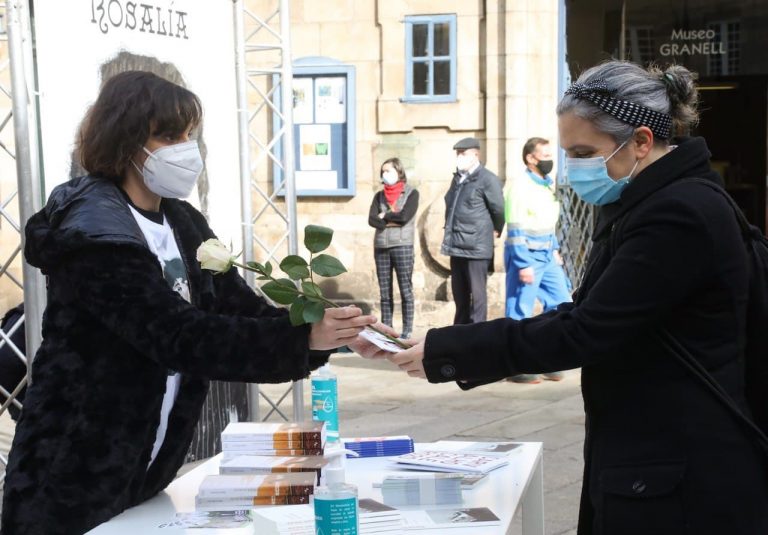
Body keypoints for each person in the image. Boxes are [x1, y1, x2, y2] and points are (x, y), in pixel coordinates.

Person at [366, 61, 768, 534]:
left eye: (583, 151)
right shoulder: (647, 202)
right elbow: (585, 314)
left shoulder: (678, 215)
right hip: (656, 462)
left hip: (683, 477)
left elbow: (585, 329)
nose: (574, 167)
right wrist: (446, 349)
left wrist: (449, 352)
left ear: (641, 141)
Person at [1, 71, 377, 535]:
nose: (184, 147)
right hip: (73, 475)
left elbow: (237, 306)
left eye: (187, 134)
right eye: (167, 135)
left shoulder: (181, 219)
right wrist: (300, 340)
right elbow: (177, 334)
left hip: (145, 471)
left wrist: (331, 332)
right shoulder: (93, 230)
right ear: (126, 139)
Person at [504, 138, 571, 384]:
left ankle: (546, 358)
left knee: (560, 303)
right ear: (530, 158)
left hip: (546, 256)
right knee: (519, 311)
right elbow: (515, 228)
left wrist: (554, 249)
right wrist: (523, 264)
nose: (549, 160)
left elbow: (547, 223)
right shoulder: (520, 187)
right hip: (527, 256)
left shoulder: (545, 185)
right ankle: (515, 365)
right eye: (544, 155)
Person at [441, 137, 505, 324]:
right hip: (457, 244)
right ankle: (459, 335)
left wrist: (496, 228)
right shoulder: (458, 179)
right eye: (458, 153)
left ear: (476, 154)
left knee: (477, 296)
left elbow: (498, 209)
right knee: (460, 296)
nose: (459, 157)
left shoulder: (487, 179)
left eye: (463, 153)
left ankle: (478, 334)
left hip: (476, 245)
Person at [367, 158, 419, 339]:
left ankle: (407, 330)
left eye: (388, 170)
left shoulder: (411, 193)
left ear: (398, 171)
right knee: (384, 291)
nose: (385, 175)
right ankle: (386, 329)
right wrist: (388, 221)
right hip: (381, 245)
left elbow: (405, 217)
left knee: (405, 289)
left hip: (403, 245)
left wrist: (386, 215)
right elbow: (372, 219)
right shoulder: (378, 196)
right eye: (383, 172)